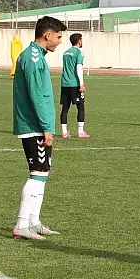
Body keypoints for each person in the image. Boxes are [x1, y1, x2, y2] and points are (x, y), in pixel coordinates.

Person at [12, 16, 66, 240]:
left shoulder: (36, 56)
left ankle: (34, 222)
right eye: (59, 37)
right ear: (47, 35)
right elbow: (36, 96)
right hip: (34, 125)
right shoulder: (33, 58)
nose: (60, 42)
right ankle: (21, 225)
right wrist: (46, 127)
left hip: (38, 124)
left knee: (43, 173)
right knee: (37, 173)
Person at [60, 33, 89, 139]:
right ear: (79, 41)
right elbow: (79, 68)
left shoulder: (66, 53)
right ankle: (80, 131)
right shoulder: (79, 52)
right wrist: (81, 83)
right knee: (80, 107)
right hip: (74, 84)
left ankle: (64, 132)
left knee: (65, 108)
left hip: (64, 84)